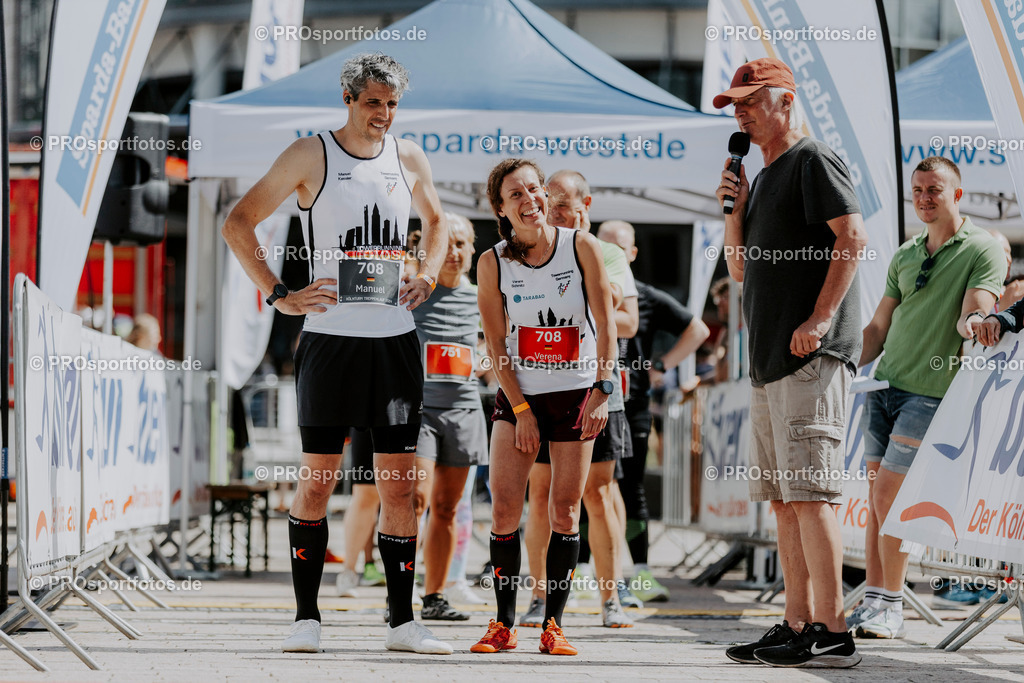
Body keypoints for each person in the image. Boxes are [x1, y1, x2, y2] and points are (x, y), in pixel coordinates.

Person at [221, 53, 452, 655]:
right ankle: (306, 617)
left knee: (400, 488)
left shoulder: (409, 156)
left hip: (395, 342)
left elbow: (438, 220)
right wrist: (281, 295)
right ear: (349, 99)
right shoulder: (310, 153)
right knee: (319, 481)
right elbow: (238, 222)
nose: (384, 114)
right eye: (373, 101)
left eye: (393, 104)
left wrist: (426, 272)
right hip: (330, 341)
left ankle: (402, 622)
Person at [714, 57, 866, 668]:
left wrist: (821, 317)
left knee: (811, 496)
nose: (742, 114)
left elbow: (852, 236)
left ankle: (834, 630)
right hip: (772, 360)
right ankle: (796, 622)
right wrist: (734, 208)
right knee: (783, 500)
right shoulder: (765, 175)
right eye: (736, 106)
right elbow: (740, 269)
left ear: (784, 100)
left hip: (810, 353)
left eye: (751, 102)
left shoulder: (812, 159)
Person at [850, 158, 1005, 637]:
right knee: (878, 504)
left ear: (957, 194)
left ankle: (892, 603)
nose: (923, 197)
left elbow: (974, 313)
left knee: (887, 495)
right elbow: (878, 327)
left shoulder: (983, 247)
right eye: (917, 189)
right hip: (883, 387)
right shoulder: (906, 251)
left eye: (934, 189)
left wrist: (975, 325)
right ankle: (875, 599)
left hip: (930, 393)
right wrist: (837, 363)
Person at [471, 158, 616, 656]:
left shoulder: (582, 246)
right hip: (520, 397)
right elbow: (496, 344)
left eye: (535, 189)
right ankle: (503, 623)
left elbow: (607, 322)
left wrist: (604, 387)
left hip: (577, 394)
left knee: (564, 510)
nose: (531, 200)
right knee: (506, 507)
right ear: (501, 207)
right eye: (517, 194)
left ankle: (554, 625)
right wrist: (522, 409)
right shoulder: (492, 261)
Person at [520, 171, 640, 630]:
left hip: (596, 389)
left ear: (584, 204)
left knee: (599, 493)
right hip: (542, 388)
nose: (550, 212)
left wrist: (595, 292)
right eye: (546, 203)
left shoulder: (604, 252)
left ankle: (611, 600)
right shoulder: (531, 250)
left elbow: (627, 323)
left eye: (560, 204)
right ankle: (537, 597)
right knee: (542, 494)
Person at [597, 220, 710, 602]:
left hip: (632, 406)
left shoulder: (646, 296)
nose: (610, 254)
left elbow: (698, 330)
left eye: (618, 248)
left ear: (632, 254)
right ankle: (581, 575)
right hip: (590, 401)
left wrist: (661, 365)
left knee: (629, 487)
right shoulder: (582, 289)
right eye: (603, 246)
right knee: (588, 486)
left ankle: (641, 576)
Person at [408, 213, 489, 621]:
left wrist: (484, 360)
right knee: (415, 500)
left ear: (473, 249)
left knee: (446, 507)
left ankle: (435, 597)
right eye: (447, 244)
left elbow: (497, 346)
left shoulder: (483, 295)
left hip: (464, 409)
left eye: (462, 244)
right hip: (419, 408)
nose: (454, 253)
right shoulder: (413, 291)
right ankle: (398, 595)